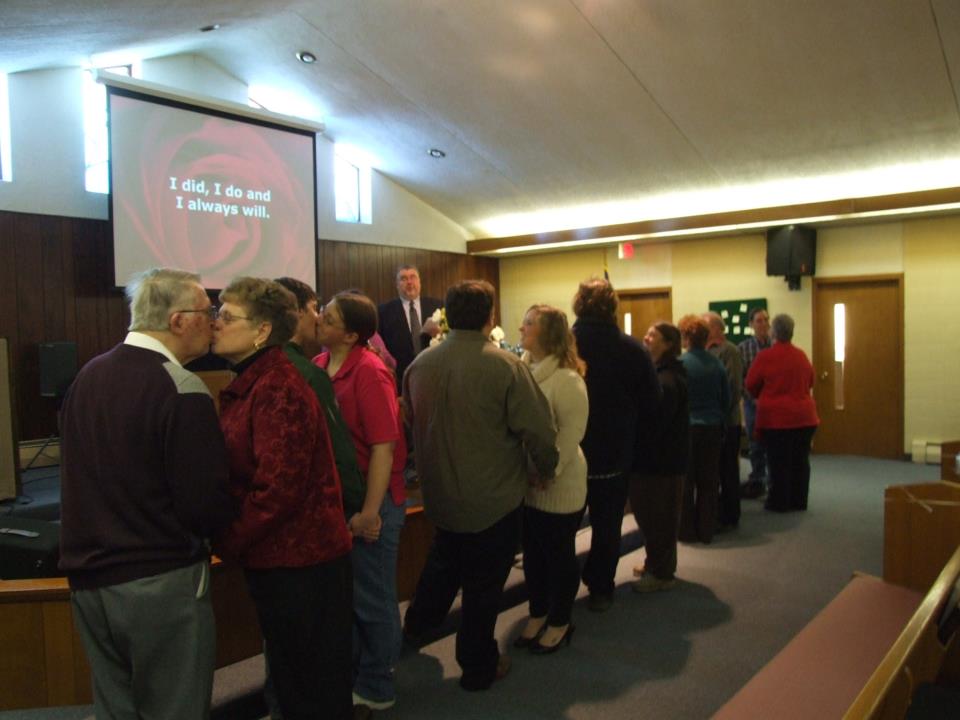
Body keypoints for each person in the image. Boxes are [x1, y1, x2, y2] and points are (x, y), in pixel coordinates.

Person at [59, 267, 233, 720]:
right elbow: (203, 503)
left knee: (116, 710)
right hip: (160, 581)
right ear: (178, 321)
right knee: (174, 708)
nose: (213, 322)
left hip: (89, 582)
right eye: (206, 311)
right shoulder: (182, 388)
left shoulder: (87, 376)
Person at [402, 280, 558, 691]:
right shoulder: (505, 365)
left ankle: (414, 628)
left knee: (443, 563)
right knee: (483, 586)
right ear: (490, 316)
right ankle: (477, 665)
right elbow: (539, 431)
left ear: (448, 317)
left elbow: (407, 426)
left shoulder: (418, 367)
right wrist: (546, 468)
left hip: (439, 496)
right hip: (493, 499)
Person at [213, 277, 353, 720]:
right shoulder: (258, 379)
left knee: (310, 688)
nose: (216, 324)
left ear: (261, 331)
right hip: (284, 559)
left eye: (227, 316)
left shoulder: (277, 386)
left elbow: (279, 489)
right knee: (298, 682)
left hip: (301, 564)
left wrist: (229, 541)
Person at [314, 292, 407, 713]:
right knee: (350, 597)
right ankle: (357, 673)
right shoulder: (318, 366)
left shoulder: (370, 371)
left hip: (375, 500)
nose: (318, 319)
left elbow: (384, 446)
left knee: (374, 598)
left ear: (351, 334)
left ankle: (378, 682)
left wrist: (371, 512)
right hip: (341, 501)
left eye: (328, 317)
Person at [571, 278, 660, 612]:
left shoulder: (564, 346)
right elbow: (652, 402)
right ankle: (601, 589)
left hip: (569, 453)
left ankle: (558, 589)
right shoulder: (633, 349)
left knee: (562, 527)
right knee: (608, 526)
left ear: (578, 304)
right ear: (613, 307)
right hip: (614, 453)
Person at [514, 304, 588, 654]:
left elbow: (571, 434)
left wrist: (548, 471)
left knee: (558, 556)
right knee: (533, 556)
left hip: (560, 483)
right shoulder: (522, 369)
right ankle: (538, 611)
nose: (521, 328)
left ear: (548, 334)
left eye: (529, 324)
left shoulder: (566, 379)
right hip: (529, 484)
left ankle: (560, 619)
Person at [630, 322, 689, 592]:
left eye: (653, 334)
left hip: (660, 462)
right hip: (661, 460)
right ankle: (656, 563)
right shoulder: (662, 373)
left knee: (659, 518)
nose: (646, 336)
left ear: (667, 344)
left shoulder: (667, 379)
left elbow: (656, 423)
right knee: (653, 516)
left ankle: (662, 573)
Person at [745, 313, 819, 513]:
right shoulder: (801, 355)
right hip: (805, 418)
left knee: (778, 462)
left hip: (777, 419)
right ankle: (799, 500)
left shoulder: (766, 356)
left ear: (773, 332)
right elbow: (811, 381)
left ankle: (779, 502)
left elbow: (750, 384)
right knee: (801, 461)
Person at [678, 314, 729, 544]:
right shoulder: (716, 364)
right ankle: (706, 530)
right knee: (709, 482)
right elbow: (726, 399)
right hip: (712, 428)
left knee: (686, 482)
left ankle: (687, 532)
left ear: (686, 337)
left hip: (687, 429)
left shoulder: (680, 364)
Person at [704, 312, 744, 530]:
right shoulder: (705, 351)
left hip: (727, 422)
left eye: (706, 326)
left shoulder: (730, 351)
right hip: (712, 423)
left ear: (718, 329)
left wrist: (720, 416)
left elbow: (733, 387)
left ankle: (730, 514)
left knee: (728, 469)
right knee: (715, 470)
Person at [377, 265, 442, 389]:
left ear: (420, 282)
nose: (409, 282)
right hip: (400, 378)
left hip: (433, 372)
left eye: (413, 277)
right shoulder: (384, 312)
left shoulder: (437, 305)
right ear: (397, 285)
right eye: (403, 278)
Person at [739, 307, 772, 498]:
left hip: (774, 403)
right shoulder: (743, 348)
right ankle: (758, 478)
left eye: (766, 320)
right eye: (759, 321)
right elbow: (742, 379)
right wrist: (754, 399)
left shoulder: (776, 346)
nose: (763, 324)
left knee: (773, 443)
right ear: (751, 324)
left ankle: (772, 480)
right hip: (753, 403)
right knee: (755, 442)